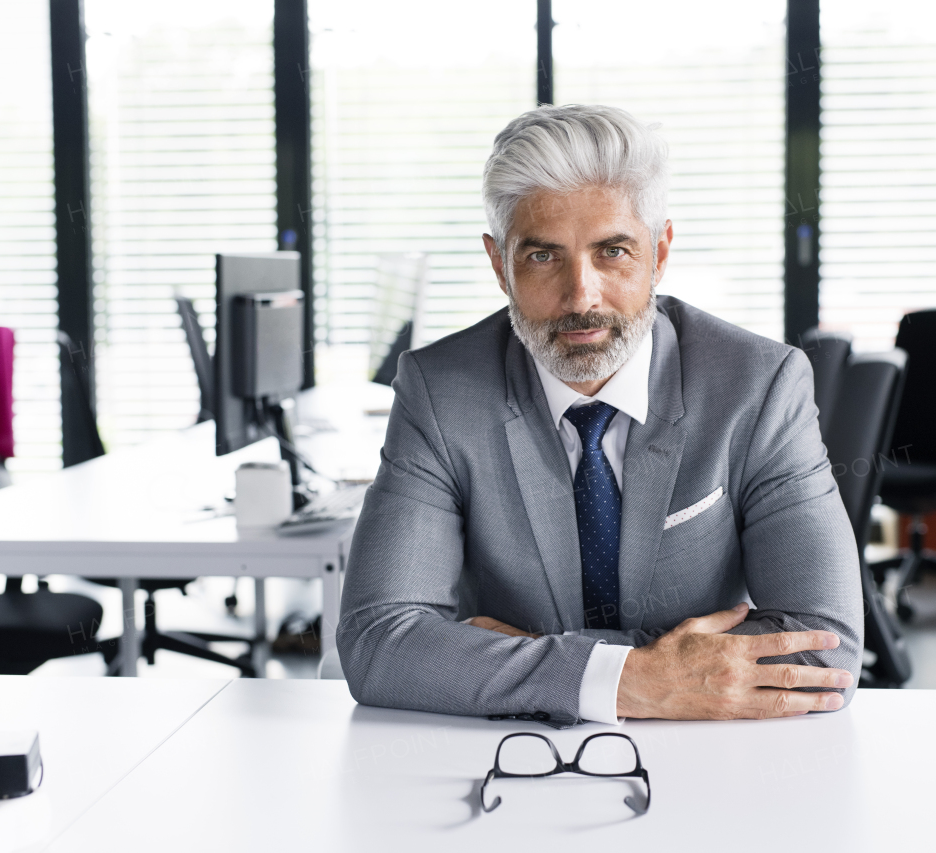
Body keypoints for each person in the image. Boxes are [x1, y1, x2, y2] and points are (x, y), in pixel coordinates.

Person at [337, 104, 861, 726]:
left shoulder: (759, 385)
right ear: (499, 264)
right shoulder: (440, 391)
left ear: (659, 252)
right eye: (542, 257)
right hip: (502, 760)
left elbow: (824, 650)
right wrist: (640, 679)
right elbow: (378, 643)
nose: (581, 296)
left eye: (613, 251)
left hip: (703, 766)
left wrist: (532, 660)